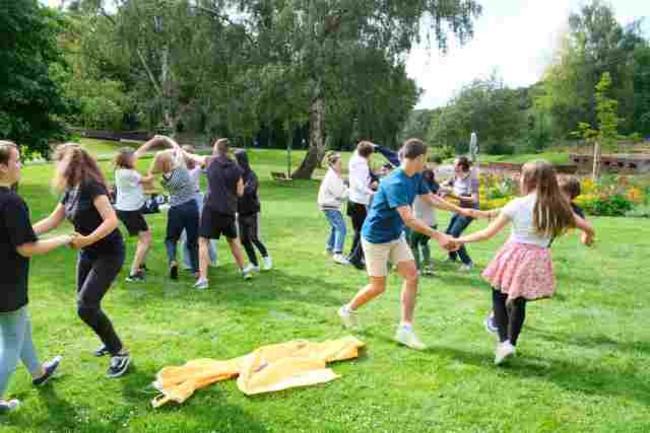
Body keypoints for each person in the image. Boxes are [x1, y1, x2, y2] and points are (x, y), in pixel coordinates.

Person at [337, 139, 474, 350]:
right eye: (425, 158)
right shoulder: (395, 182)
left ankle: (405, 330)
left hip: (395, 235)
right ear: (419, 158)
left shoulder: (416, 176)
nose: (426, 162)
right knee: (378, 287)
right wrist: (439, 236)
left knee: (412, 275)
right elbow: (409, 219)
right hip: (376, 238)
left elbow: (430, 198)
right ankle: (348, 310)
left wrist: (460, 210)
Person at [456, 160, 595, 364]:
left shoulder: (518, 204)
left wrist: (458, 240)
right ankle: (511, 343)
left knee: (499, 293)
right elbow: (588, 228)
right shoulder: (560, 207)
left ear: (529, 180)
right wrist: (587, 238)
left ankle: (504, 342)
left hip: (515, 254)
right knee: (518, 301)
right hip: (538, 256)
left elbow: (487, 234)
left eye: (522, 175)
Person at [34, 143, 131, 378]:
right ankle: (109, 341)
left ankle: (119, 352)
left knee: (86, 305)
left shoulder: (91, 185)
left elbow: (111, 220)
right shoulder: (72, 189)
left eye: (59, 163)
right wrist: (22, 232)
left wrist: (86, 240)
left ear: (69, 164)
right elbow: (53, 220)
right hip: (88, 253)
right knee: (86, 305)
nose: (57, 168)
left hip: (109, 253)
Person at [0, 141, 72, 413]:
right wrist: (63, 238)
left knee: (20, 328)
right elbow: (26, 247)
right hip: (7, 283)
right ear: (2, 167)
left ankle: (39, 373)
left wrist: (51, 226)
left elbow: (19, 233)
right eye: (17, 160)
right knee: (10, 341)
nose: (21, 165)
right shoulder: (12, 202)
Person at [181, 138, 248, 289]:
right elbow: (240, 191)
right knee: (233, 240)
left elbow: (190, 157)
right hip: (229, 210)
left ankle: (203, 279)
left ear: (216, 149)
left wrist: (174, 147)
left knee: (203, 241)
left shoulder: (210, 161)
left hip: (211, 208)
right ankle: (244, 270)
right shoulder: (236, 167)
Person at [148, 143, 200, 279]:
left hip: (176, 210)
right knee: (193, 241)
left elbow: (151, 171)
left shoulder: (163, 179)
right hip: (191, 207)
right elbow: (179, 149)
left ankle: (172, 260)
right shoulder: (181, 169)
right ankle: (196, 270)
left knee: (171, 239)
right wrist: (167, 140)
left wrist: (160, 157)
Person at [113, 145, 155, 282]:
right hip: (130, 211)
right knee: (145, 239)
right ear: (127, 159)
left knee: (147, 235)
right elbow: (148, 180)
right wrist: (153, 170)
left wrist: (153, 142)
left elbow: (138, 153)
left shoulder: (120, 170)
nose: (135, 159)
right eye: (133, 158)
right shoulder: (130, 174)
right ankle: (133, 273)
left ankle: (140, 265)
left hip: (126, 209)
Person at [235, 149, 272, 274]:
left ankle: (266, 258)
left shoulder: (251, 175)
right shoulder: (237, 176)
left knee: (254, 237)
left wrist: (240, 190)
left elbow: (249, 191)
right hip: (240, 211)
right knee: (244, 239)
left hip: (252, 211)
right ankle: (254, 263)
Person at [440, 156, 480, 271]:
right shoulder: (456, 176)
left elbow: (474, 199)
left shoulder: (472, 180)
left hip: (470, 211)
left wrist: (453, 195)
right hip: (459, 209)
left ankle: (468, 262)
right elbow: (446, 184)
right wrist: (441, 188)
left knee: (455, 234)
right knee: (448, 233)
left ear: (461, 167)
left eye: (454, 164)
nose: (452, 166)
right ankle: (452, 257)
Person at [180, 144, 216, 270]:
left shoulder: (197, 166)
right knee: (185, 233)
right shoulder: (179, 168)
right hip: (183, 199)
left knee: (203, 230)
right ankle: (189, 262)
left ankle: (210, 259)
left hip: (196, 198)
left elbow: (210, 164)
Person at [347, 141, 376, 269]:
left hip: (352, 199)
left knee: (358, 230)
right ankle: (356, 258)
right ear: (368, 154)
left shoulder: (354, 160)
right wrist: (372, 192)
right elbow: (360, 184)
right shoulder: (362, 166)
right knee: (365, 231)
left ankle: (352, 254)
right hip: (360, 200)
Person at [317, 152, 349, 265]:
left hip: (328, 204)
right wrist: (352, 190)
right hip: (329, 205)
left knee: (335, 227)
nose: (341, 165)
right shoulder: (332, 176)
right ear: (333, 164)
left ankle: (329, 248)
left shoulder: (334, 175)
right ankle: (338, 254)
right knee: (342, 228)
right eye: (339, 163)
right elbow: (340, 194)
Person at [408, 167, 440, 275]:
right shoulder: (434, 190)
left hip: (418, 223)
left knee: (413, 245)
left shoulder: (417, 190)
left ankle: (417, 269)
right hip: (432, 223)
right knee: (424, 243)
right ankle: (427, 267)